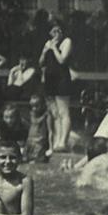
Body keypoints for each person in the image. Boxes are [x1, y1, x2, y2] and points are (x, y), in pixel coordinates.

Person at [38, 21, 74, 153]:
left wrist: (53, 48)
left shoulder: (66, 42)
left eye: (59, 31)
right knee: (55, 113)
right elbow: (41, 63)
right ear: (50, 33)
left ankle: (63, 141)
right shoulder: (48, 43)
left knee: (63, 111)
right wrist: (45, 50)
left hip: (61, 79)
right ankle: (57, 141)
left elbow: (62, 60)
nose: (57, 34)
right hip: (50, 79)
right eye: (54, 31)